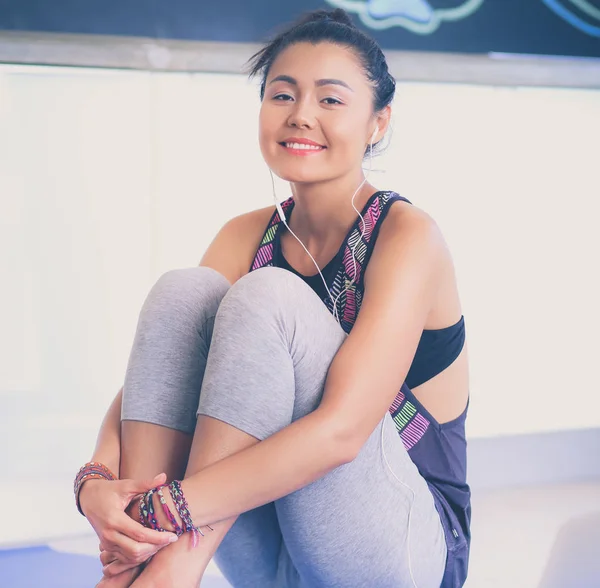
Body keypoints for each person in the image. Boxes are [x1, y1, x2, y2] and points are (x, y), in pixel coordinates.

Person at [75, 8, 471, 588]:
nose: (301, 115)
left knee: (269, 299)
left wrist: (174, 513)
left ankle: (167, 569)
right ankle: (141, 556)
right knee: (186, 293)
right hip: (268, 544)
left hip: (398, 544)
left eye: (330, 100)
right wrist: (96, 482)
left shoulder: (408, 235)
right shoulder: (246, 235)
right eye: (282, 95)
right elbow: (162, 378)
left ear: (378, 122)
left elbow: (341, 433)